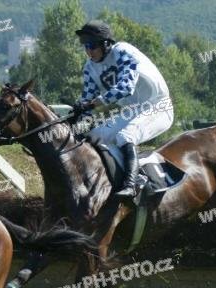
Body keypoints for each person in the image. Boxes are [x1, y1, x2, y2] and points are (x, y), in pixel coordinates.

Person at [73, 20, 174, 198]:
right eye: (85, 46)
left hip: (158, 106)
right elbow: (86, 101)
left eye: (92, 46)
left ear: (106, 44)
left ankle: (133, 183)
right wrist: (77, 118)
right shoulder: (90, 68)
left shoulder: (122, 51)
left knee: (126, 136)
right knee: (94, 136)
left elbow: (126, 87)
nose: (88, 51)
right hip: (131, 111)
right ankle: (108, 181)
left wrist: (95, 103)